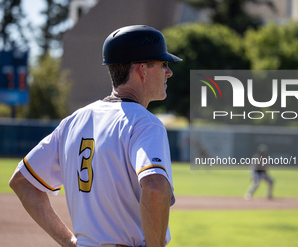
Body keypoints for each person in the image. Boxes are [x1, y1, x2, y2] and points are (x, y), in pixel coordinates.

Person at [9, 25, 182, 247]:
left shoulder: (73, 121)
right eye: (163, 64)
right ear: (142, 69)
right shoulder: (145, 124)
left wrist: (68, 241)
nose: (169, 72)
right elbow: (156, 188)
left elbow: (22, 181)